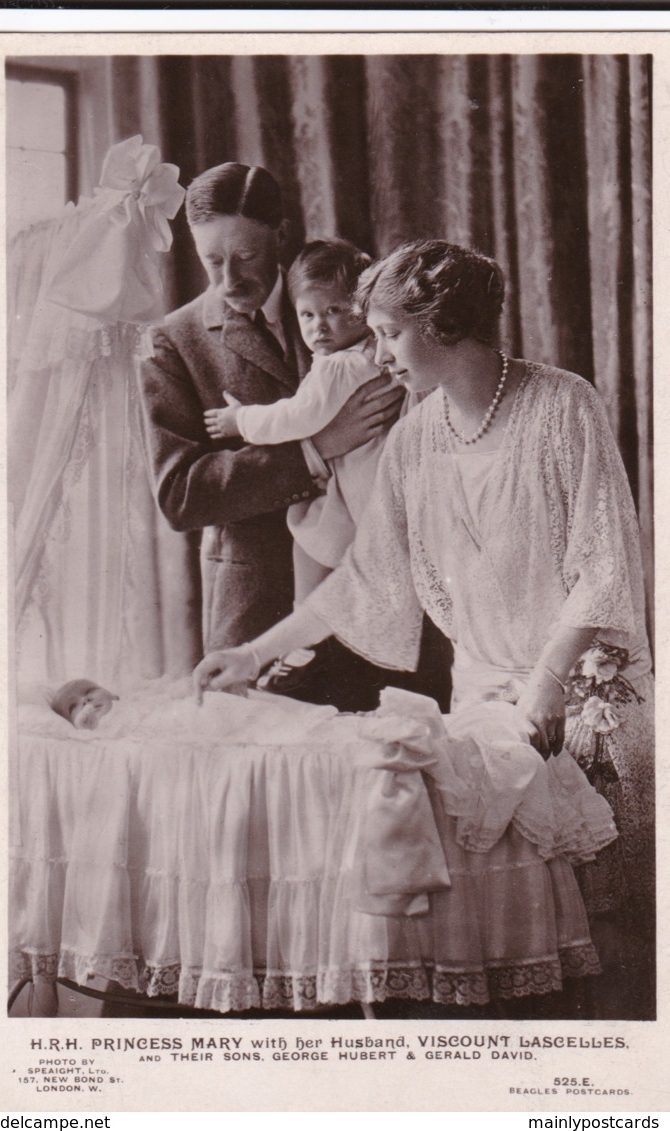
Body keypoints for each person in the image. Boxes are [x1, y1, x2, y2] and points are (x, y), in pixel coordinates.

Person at [194, 239, 654, 1018]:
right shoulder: (413, 438)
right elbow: (367, 580)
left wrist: (544, 686)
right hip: (482, 707)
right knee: (520, 932)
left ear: (441, 323)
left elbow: (604, 562)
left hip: (584, 703)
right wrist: (251, 651)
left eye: (388, 334)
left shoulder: (560, 403)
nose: (376, 355)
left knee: (615, 934)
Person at [138, 163, 410, 708]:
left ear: (281, 235)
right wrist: (316, 449)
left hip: (379, 592)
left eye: (247, 258)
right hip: (255, 605)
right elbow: (180, 494)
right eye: (212, 261)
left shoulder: (339, 296)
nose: (230, 280)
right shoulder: (174, 342)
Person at [204, 238, 386, 601]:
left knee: (309, 538)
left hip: (360, 489)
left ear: (362, 309)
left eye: (334, 310)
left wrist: (241, 421)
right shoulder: (373, 350)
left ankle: (302, 627)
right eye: (307, 314)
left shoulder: (339, 366)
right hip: (371, 479)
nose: (319, 326)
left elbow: (297, 416)